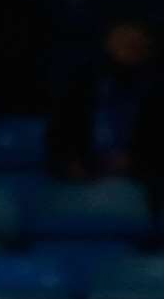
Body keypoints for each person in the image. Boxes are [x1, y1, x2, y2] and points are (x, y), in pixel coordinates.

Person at [47, 19, 164, 182]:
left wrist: (137, 162)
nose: (126, 51)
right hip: (86, 183)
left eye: (135, 46)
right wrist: (72, 165)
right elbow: (59, 142)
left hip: (141, 184)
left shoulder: (155, 94)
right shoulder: (81, 90)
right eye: (122, 44)